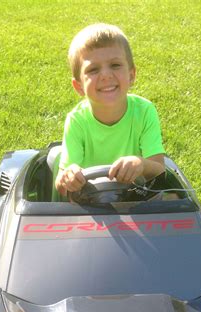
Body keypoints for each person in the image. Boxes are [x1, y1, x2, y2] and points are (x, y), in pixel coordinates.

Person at [55, 23, 165, 196]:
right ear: (79, 86)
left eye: (115, 65)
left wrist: (141, 164)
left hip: (137, 200)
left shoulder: (144, 111)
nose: (106, 75)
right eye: (93, 69)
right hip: (90, 204)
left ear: (132, 75)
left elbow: (159, 170)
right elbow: (60, 187)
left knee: (173, 199)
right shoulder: (77, 120)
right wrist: (68, 177)